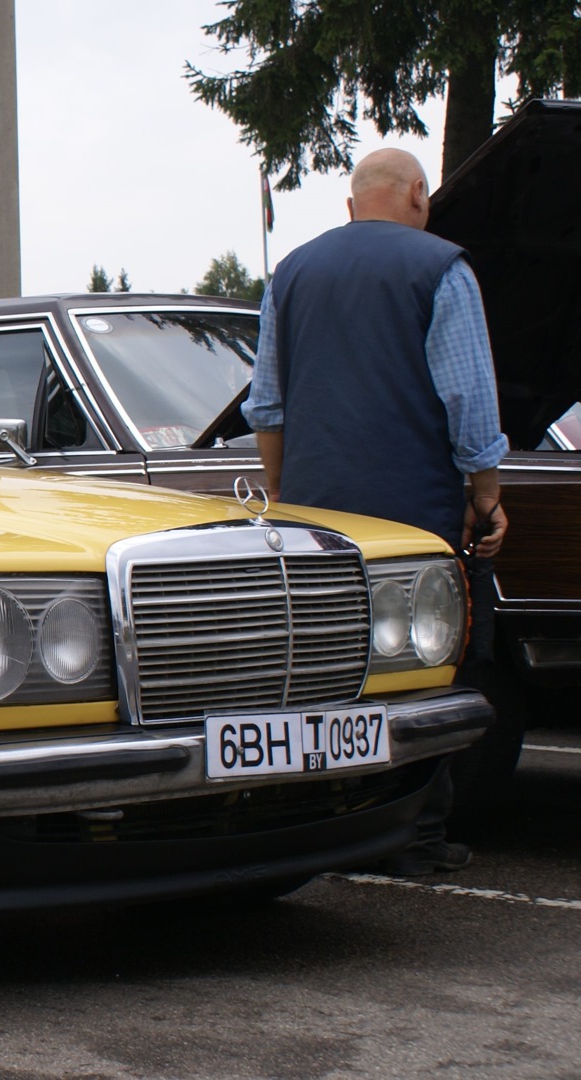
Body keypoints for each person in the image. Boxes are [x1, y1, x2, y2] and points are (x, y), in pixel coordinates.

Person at [243, 147, 508, 876]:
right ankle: (415, 835)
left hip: (313, 519)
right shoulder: (440, 268)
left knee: (324, 674)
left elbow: (266, 402)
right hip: (413, 516)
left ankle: (322, 831)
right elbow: (469, 402)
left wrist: (285, 493)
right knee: (428, 673)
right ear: (419, 195)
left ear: (351, 202)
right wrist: (485, 499)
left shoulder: (291, 272)